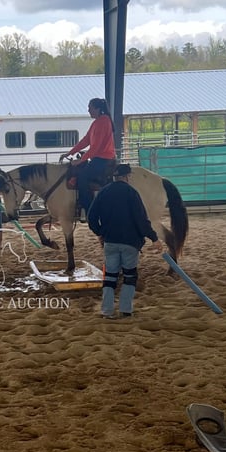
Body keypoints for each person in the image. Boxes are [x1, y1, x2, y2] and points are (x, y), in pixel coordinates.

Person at [87, 163, 161, 319]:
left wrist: (100, 232)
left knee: (109, 277)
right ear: (127, 176)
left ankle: (107, 310)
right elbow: (141, 220)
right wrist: (154, 238)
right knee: (130, 276)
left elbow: (91, 217)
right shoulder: (132, 193)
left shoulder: (103, 192)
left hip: (110, 242)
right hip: (130, 242)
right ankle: (125, 310)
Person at [60, 97, 116, 221]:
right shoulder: (98, 122)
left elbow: (95, 147)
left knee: (82, 177)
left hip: (104, 159)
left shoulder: (103, 122)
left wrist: (80, 160)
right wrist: (70, 152)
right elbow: (86, 140)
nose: (88, 110)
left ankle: (89, 209)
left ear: (97, 109)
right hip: (99, 158)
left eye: (90, 108)